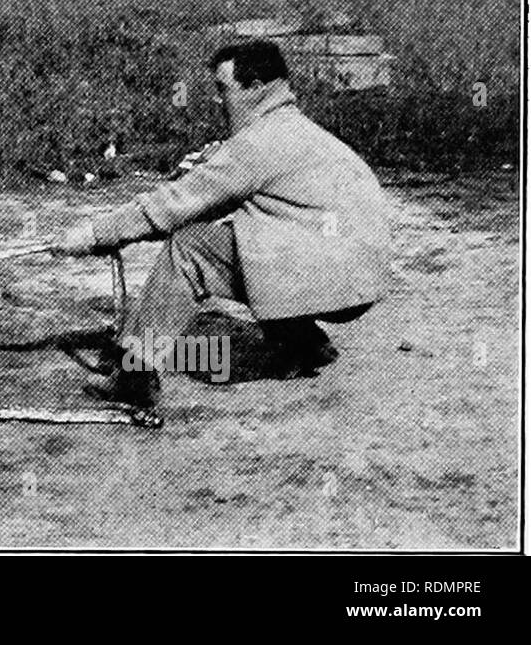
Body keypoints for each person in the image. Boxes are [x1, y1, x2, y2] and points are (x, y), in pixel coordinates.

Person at [51, 38, 391, 407]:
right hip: (364, 280)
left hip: (329, 274)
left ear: (257, 88)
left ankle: (135, 376)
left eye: (222, 89)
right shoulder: (303, 132)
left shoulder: (257, 144)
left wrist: (95, 234)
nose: (216, 100)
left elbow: (174, 207)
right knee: (258, 238)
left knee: (191, 248)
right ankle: (303, 344)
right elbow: (220, 204)